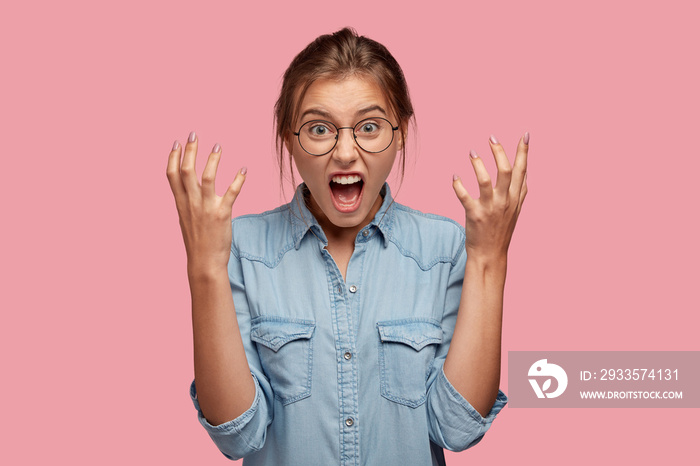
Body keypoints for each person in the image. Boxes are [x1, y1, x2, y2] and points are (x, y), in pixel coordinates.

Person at [166, 27, 528, 466]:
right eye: (319, 129)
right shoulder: (239, 248)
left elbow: (456, 428)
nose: (344, 153)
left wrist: (490, 259)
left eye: (369, 127)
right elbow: (237, 436)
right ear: (288, 139)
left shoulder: (446, 248)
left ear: (400, 133)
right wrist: (205, 267)